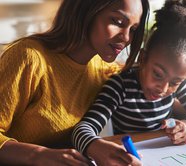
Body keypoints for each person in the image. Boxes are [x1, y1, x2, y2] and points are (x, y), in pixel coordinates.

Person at [0, 0, 150, 165]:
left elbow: (156, 91)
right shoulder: (29, 58)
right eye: (117, 22)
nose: (127, 37)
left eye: (133, 29)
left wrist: (181, 124)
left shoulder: (103, 70)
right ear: (86, 10)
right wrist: (39, 154)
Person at [72, 0, 186, 165]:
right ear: (143, 58)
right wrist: (94, 145)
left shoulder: (179, 85)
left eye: (175, 82)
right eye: (157, 74)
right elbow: (82, 129)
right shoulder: (120, 86)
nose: (163, 88)